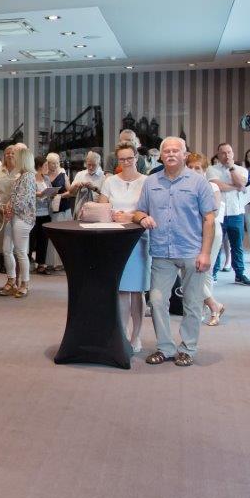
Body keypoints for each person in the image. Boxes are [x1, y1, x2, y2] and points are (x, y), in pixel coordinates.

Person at [131, 137, 216, 366]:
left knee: (192, 303)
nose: (170, 154)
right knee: (157, 301)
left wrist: (206, 253)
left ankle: (188, 348)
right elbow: (138, 211)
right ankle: (165, 348)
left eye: (175, 151)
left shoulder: (199, 182)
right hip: (161, 251)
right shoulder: (151, 182)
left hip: (191, 250)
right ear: (161, 156)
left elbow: (209, 219)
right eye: (166, 151)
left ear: (185, 155)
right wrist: (143, 217)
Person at [98, 142, 149, 350]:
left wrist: (131, 216)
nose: (126, 162)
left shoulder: (147, 181)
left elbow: (151, 209)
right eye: (122, 159)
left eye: (129, 158)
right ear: (117, 161)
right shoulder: (110, 181)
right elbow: (101, 208)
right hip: (115, 240)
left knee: (137, 291)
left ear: (136, 158)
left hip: (139, 239)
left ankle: (136, 336)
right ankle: (122, 333)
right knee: (120, 290)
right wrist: (110, 214)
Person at [187, 153, 227, 326]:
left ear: (204, 170)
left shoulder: (212, 186)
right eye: (190, 167)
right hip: (190, 232)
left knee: (205, 271)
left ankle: (207, 307)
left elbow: (214, 212)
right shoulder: (183, 186)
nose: (193, 170)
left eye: (197, 168)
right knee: (191, 270)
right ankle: (212, 305)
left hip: (210, 230)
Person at [207, 143, 250, 286]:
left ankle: (239, 274)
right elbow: (217, 186)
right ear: (218, 155)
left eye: (229, 152)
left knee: (237, 245)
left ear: (233, 153)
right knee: (216, 244)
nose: (227, 155)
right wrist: (236, 186)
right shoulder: (211, 169)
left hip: (236, 212)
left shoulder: (242, 170)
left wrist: (232, 169)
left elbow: (241, 183)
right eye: (223, 153)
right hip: (218, 213)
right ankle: (213, 273)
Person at [0, 145, 35, 297]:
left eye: (16, 157)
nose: (13, 159)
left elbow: (23, 201)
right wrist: (8, 207)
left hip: (22, 218)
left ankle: (25, 283)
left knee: (21, 252)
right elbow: (15, 198)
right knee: (7, 249)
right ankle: (11, 280)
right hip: (13, 217)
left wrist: (9, 209)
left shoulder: (28, 177)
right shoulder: (22, 176)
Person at [29, 154, 55, 275]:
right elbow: (28, 193)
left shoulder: (47, 179)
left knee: (43, 240)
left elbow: (49, 190)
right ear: (39, 166)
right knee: (31, 240)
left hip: (46, 213)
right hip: (33, 214)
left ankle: (41, 264)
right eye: (45, 165)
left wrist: (52, 193)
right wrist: (38, 194)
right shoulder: (31, 178)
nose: (47, 168)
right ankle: (28, 263)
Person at [66, 151, 105, 216]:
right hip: (81, 211)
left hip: (98, 210)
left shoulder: (104, 176)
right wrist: (76, 185)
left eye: (94, 165)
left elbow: (107, 196)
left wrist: (94, 188)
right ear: (85, 163)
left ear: (99, 164)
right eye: (89, 164)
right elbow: (70, 192)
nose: (91, 167)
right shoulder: (80, 174)